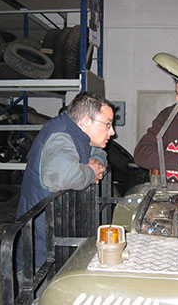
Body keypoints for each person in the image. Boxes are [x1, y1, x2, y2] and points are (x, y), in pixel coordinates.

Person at [16, 91, 115, 270]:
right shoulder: (61, 136)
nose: (112, 132)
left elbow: (98, 153)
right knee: (44, 290)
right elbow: (63, 177)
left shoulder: (76, 133)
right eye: (107, 125)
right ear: (85, 121)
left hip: (56, 227)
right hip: (42, 236)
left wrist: (98, 163)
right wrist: (92, 172)